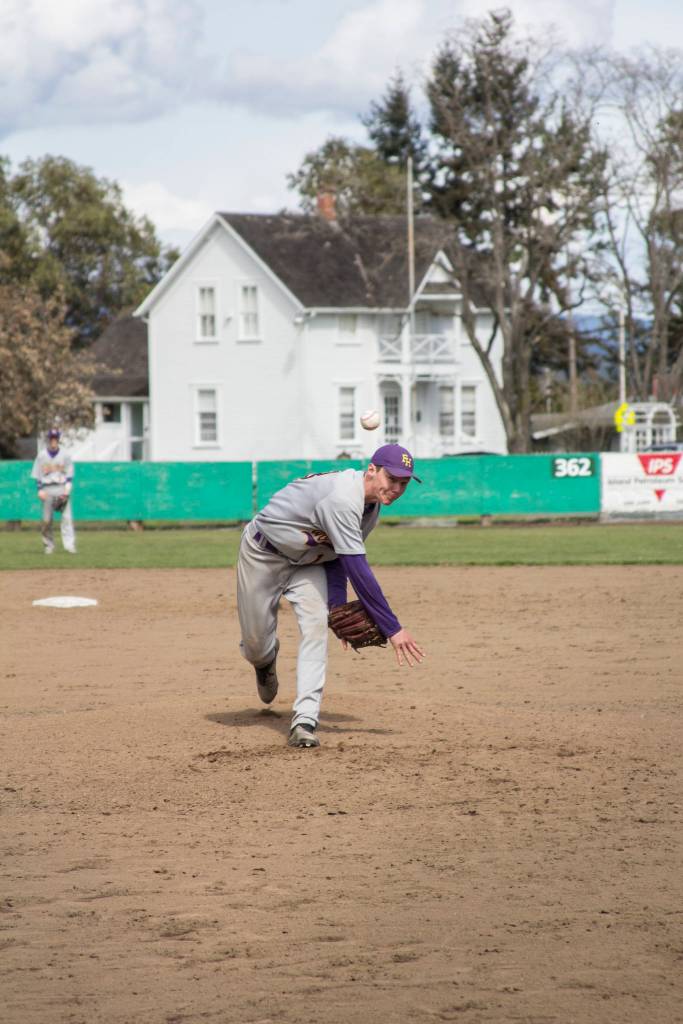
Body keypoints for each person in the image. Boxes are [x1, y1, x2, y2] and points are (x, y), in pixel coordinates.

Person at [236, 444, 425, 749]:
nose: (397, 489)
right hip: (263, 554)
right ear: (372, 470)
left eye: (404, 483)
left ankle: (304, 721)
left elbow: (337, 555)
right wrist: (392, 628)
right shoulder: (342, 498)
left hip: (308, 562)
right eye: (392, 479)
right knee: (256, 644)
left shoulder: (371, 507)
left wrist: (335, 608)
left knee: (315, 627)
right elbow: (358, 570)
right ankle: (264, 661)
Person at [31, 428, 76, 555]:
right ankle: (48, 546)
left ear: (58, 439)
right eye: (51, 438)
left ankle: (69, 546)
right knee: (46, 520)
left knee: (67, 519)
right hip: (47, 489)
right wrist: (40, 489)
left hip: (61, 487)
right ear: (48, 439)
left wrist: (67, 490)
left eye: (55, 438)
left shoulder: (65, 455)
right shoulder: (41, 455)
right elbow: (37, 474)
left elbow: (69, 475)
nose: (53, 440)